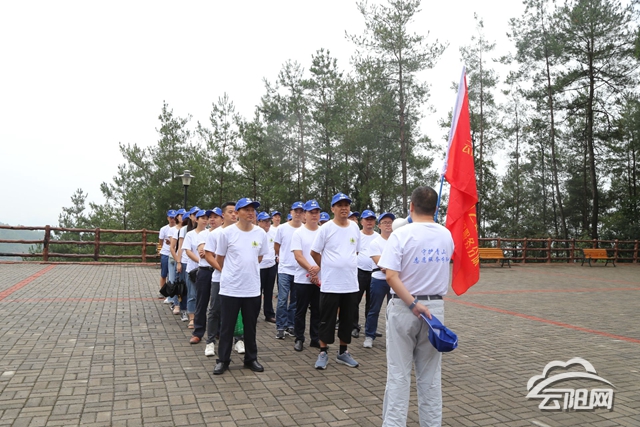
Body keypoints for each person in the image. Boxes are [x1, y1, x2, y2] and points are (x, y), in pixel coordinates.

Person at [377, 186, 454, 426]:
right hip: (435, 309)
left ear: (411, 206)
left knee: (398, 374)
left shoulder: (401, 234)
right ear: (436, 208)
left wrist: (413, 304)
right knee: (430, 377)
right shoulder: (446, 235)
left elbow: (391, 276)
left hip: (404, 306)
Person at [213, 198, 269, 375]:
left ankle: (251, 359)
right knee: (227, 326)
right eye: (246, 210)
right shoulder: (226, 233)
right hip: (231, 288)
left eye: (253, 210)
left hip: (252, 288)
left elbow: (259, 257)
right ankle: (223, 360)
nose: (251, 213)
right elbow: (219, 259)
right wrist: (232, 273)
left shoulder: (260, 233)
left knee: (250, 326)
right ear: (237, 213)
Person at [310, 192, 360, 370]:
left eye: (346, 205)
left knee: (347, 320)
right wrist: (327, 266)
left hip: (350, 284)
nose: (344, 208)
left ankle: (343, 352)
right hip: (331, 284)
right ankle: (323, 352)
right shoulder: (326, 228)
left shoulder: (355, 227)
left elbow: (355, 251)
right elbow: (314, 252)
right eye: (340, 205)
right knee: (327, 319)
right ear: (333, 209)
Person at [291, 200, 322, 352]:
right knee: (300, 310)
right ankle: (299, 338)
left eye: (316, 212)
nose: (314, 215)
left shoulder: (323, 231)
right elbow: (298, 256)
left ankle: (315, 338)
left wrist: (318, 268)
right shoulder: (298, 233)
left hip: (320, 278)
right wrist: (311, 270)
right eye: (311, 212)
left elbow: (327, 254)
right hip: (302, 279)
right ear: (305, 215)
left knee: (317, 310)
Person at [363, 212, 395, 348]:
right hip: (379, 280)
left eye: (390, 222)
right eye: (385, 222)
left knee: (394, 310)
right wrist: (392, 266)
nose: (388, 225)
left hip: (394, 281)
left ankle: (393, 337)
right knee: (374, 309)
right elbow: (380, 263)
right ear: (379, 225)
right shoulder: (375, 242)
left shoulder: (397, 241)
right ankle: (369, 335)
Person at [274, 202, 304, 339]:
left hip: (299, 270)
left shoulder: (304, 229)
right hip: (284, 269)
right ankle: (280, 326)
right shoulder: (282, 228)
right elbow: (277, 245)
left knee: (295, 301)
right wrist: (280, 256)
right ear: (291, 212)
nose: (298, 214)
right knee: (282, 299)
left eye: (301, 211)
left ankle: (291, 325)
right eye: (295, 211)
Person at [186, 210, 213, 345]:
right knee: (201, 302)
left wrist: (210, 252)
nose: (211, 220)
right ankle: (198, 332)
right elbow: (202, 252)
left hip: (220, 272)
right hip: (204, 271)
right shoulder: (203, 234)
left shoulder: (225, 233)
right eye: (210, 217)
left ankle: (217, 331)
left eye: (215, 217)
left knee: (219, 304)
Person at [352, 209, 378, 338]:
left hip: (374, 273)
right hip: (359, 271)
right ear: (361, 221)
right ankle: (354, 326)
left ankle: (370, 328)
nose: (369, 222)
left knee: (371, 302)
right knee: (355, 300)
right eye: (367, 219)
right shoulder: (356, 235)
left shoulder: (378, 236)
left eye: (371, 219)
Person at [257, 212, 277, 323]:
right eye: (264, 221)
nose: (267, 223)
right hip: (259, 267)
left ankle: (269, 314)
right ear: (259, 222)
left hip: (271, 265)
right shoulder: (256, 233)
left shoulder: (274, 233)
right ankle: (254, 313)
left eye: (268, 221)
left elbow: (278, 246)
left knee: (269, 292)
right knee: (257, 292)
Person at [158, 210, 177, 299]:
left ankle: (173, 292)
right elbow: (161, 241)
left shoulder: (179, 228)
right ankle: (163, 291)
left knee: (173, 275)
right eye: (171, 218)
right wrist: (166, 247)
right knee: (164, 274)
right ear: (168, 218)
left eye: (174, 218)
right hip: (166, 253)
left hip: (175, 254)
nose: (172, 220)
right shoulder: (163, 229)